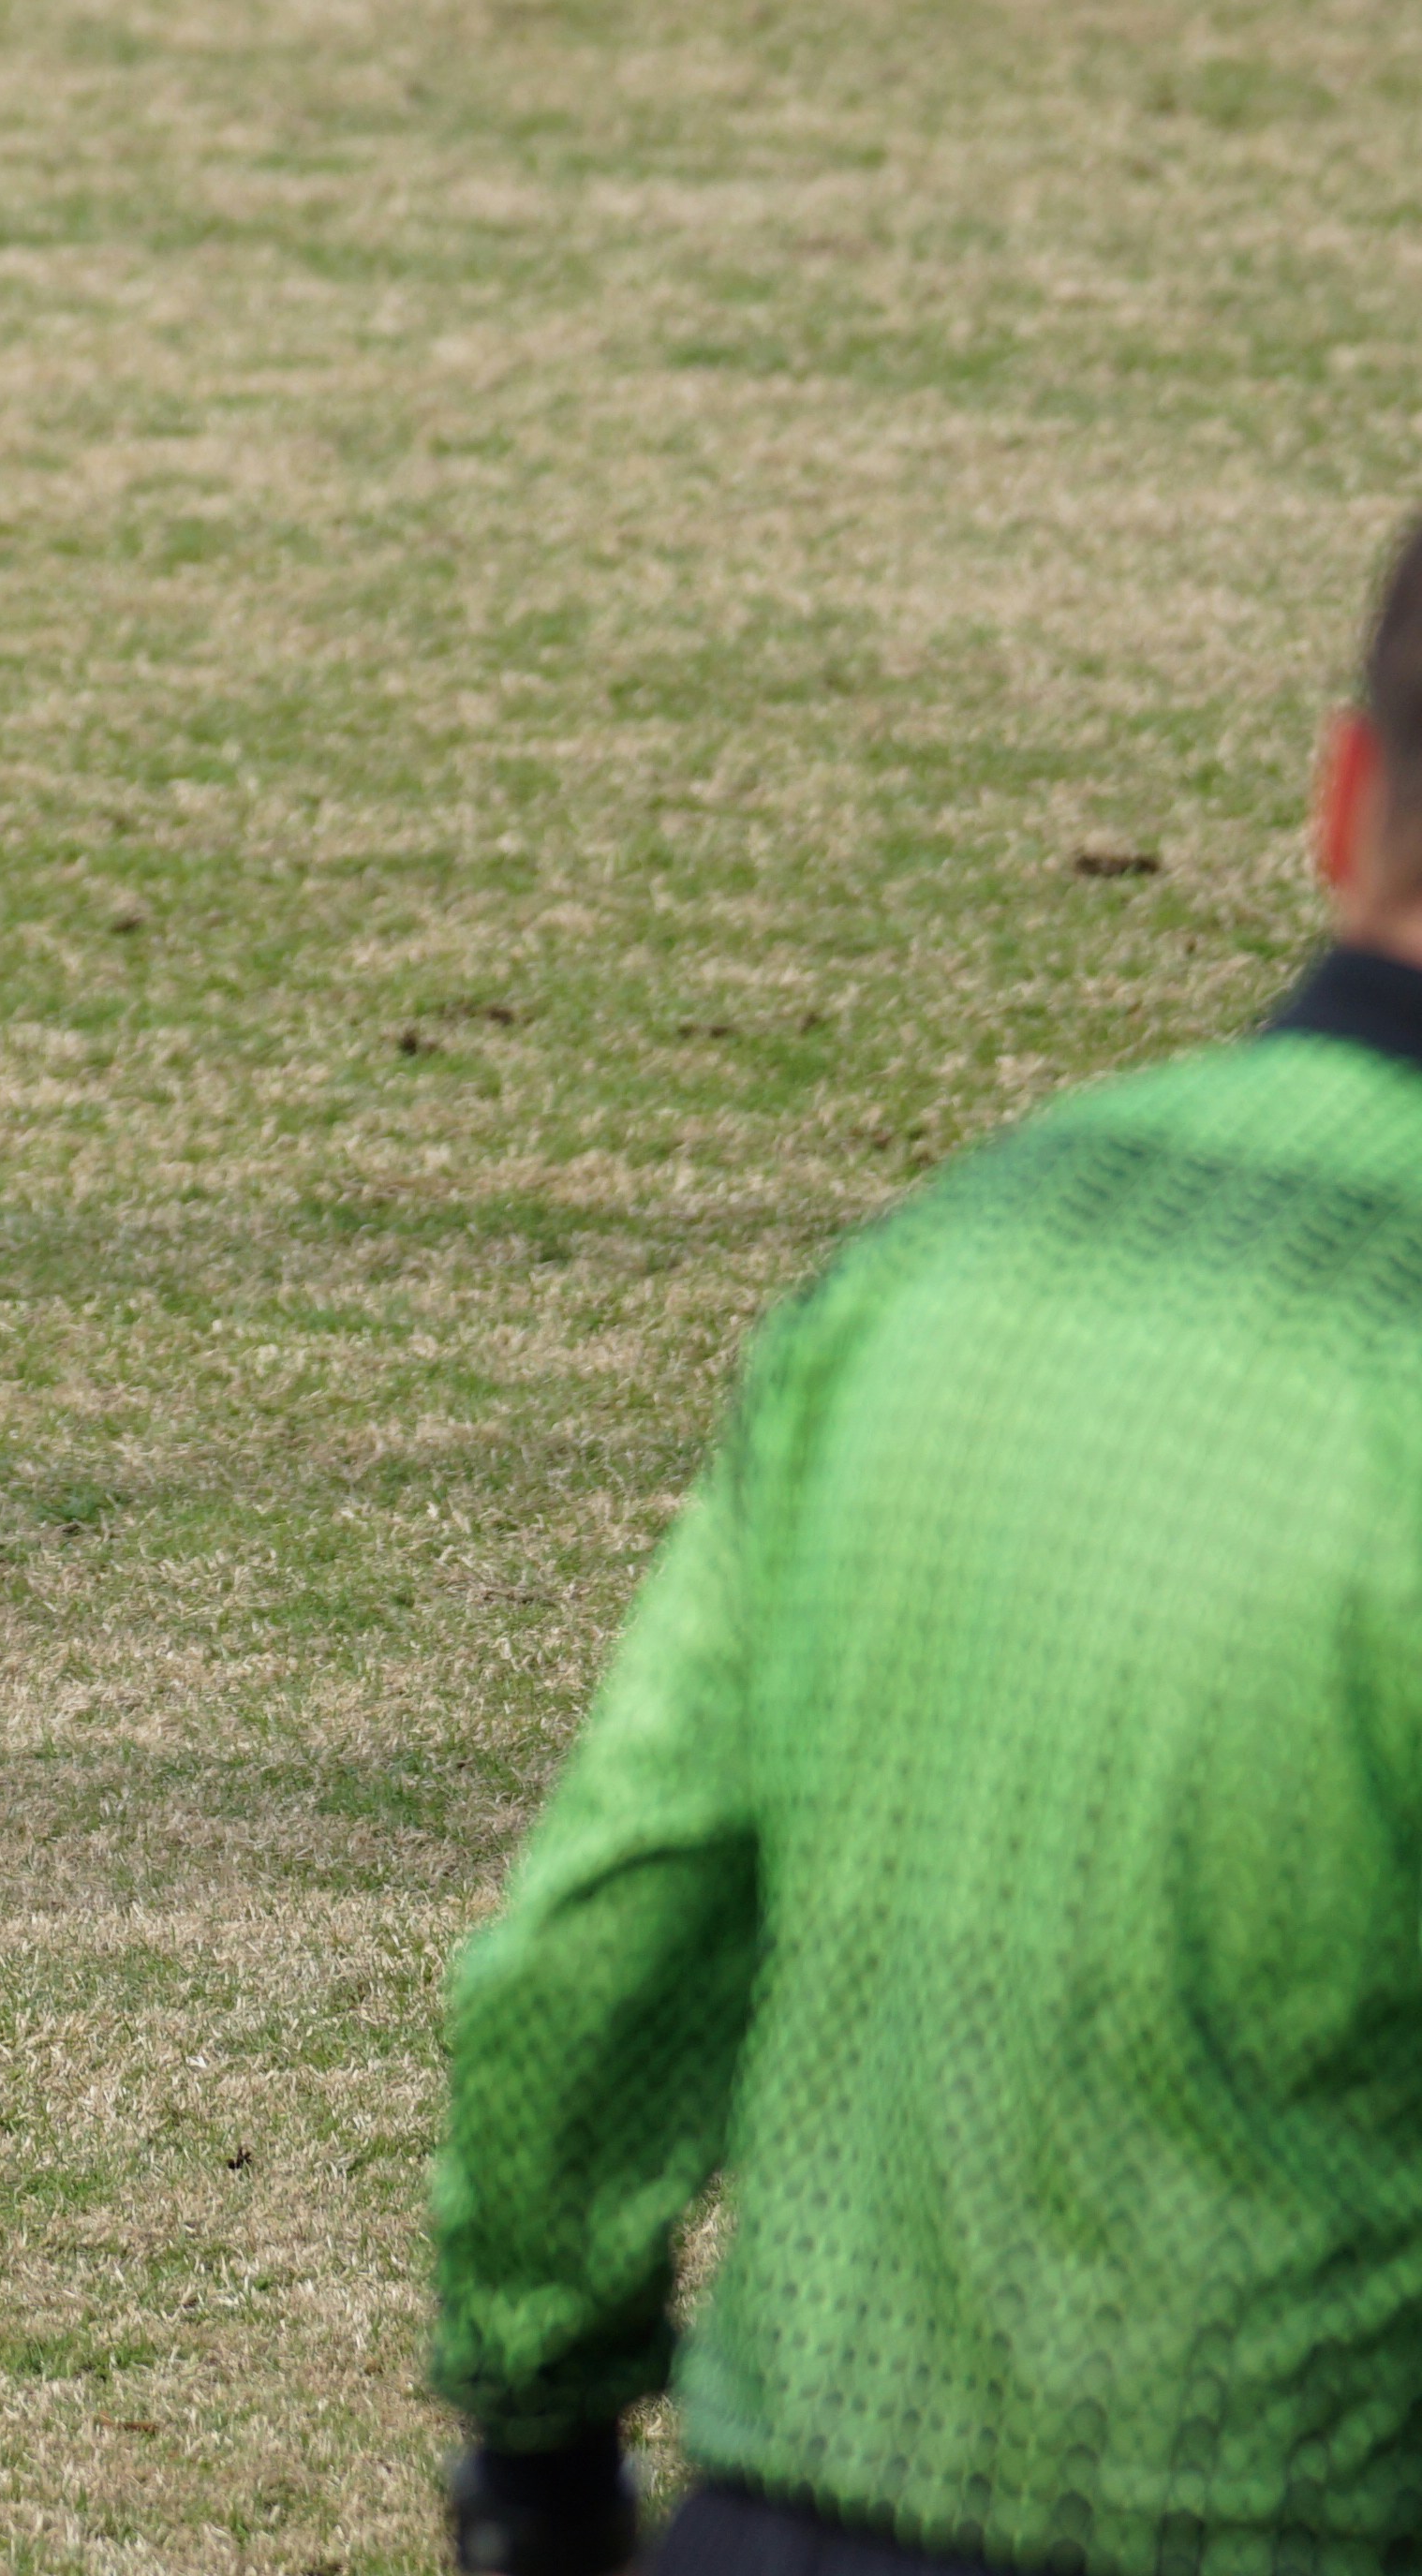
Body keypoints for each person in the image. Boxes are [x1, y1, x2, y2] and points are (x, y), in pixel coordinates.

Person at [430, 519, 1422, 2576]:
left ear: (1340, 797)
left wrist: (536, 2430)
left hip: (798, 2507)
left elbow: (609, 1919)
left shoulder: (945, 1255)